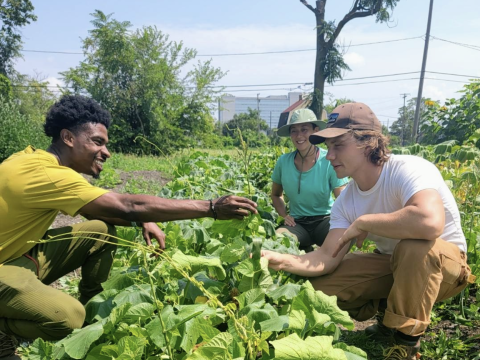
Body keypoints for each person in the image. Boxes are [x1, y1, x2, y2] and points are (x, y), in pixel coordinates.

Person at [0, 95, 257, 357]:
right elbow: (127, 206)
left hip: (15, 257)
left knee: (100, 232)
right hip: (4, 266)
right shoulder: (49, 175)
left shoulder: (32, 159)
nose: (106, 152)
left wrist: (143, 219)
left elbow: (102, 209)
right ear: (68, 138)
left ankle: (93, 312)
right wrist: (211, 208)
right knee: (68, 318)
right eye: (97, 142)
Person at [262, 102, 474, 359]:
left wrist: (365, 222)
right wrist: (279, 259)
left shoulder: (407, 169)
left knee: (414, 247)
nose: (330, 156)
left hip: (445, 269)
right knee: (321, 289)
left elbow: (429, 223)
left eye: (338, 145)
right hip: (393, 266)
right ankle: (388, 314)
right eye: (329, 147)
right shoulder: (346, 200)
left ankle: (406, 343)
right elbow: (326, 257)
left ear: (368, 143)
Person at [272, 108, 348, 251]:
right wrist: (284, 215)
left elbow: (342, 196)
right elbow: (276, 194)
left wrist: (343, 221)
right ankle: (304, 249)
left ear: (315, 131)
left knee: (342, 242)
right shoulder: (283, 162)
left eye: (304, 129)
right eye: (294, 130)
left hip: (325, 221)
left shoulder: (328, 160)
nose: (299, 135)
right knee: (278, 241)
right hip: (297, 223)